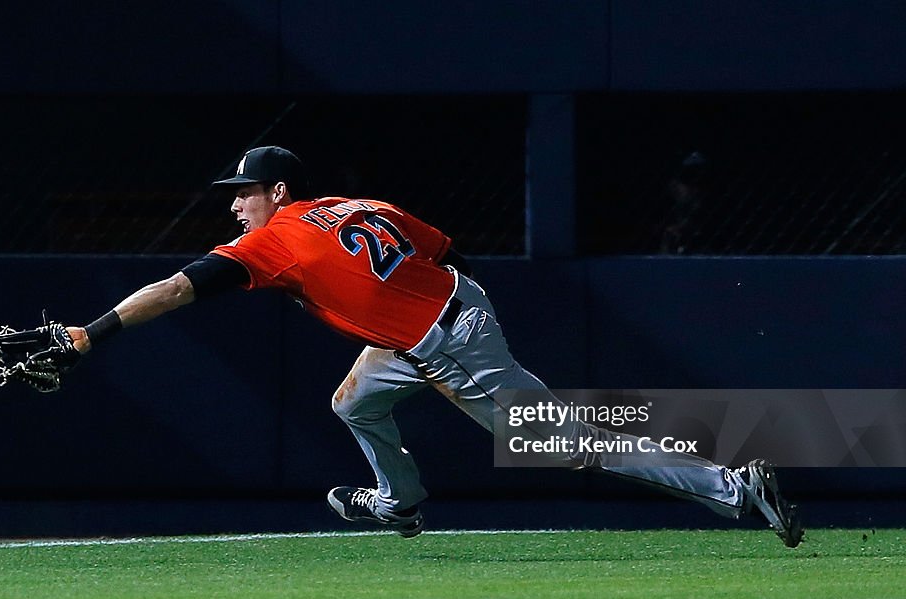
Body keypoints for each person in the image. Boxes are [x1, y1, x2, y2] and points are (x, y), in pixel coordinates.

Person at [66, 146, 803, 547]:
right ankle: (400, 502)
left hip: (441, 340)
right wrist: (441, 316)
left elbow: (173, 289)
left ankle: (734, 487)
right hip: (446, 313)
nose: (234, 203)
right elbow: (447, 250)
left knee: (563, 443)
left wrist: (87, 333)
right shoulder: (361, 205)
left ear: (279, 191)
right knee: (354, 402)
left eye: (244, 190)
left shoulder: (274, 240)